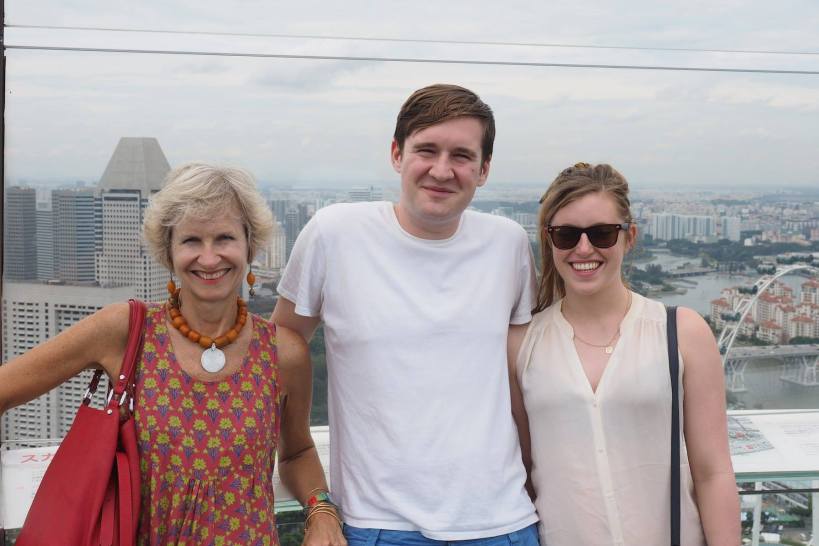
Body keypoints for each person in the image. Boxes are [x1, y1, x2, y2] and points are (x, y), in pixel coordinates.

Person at [0, 163, 346, 546]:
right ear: (168, 252)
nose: (210, 258)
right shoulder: (127, 330)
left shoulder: (283, 352)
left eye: (225, 238)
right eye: (191, 241)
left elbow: (296, 451)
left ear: (251, 245)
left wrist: (321, 511)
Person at [272, 84, 540, 545]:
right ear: (397, 154)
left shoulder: (508, 243)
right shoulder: (334, 235)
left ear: (484, 170)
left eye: (461, 155)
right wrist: (315, 498)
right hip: (378, 525)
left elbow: (522, 380)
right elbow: (279, 350)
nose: (442, 170)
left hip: (504, 522)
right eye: (426, 150)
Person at [508, 162, 741, 545]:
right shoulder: (522, 344)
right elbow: (525, 470)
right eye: (566, 235)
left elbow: (712, 470)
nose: (584, 249)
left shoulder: (682, 333)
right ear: (550, 241)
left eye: (601, 233)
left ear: (628, 236)